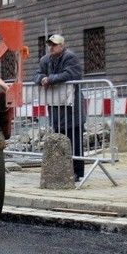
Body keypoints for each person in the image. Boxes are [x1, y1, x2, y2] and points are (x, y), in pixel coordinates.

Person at [33, 34, 86, 181]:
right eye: (49, 44)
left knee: (75, 140)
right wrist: (41, 79)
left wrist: (49, 79)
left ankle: (77, 171)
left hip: (72, 107)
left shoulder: (70, 57)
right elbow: (37, 75)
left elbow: (71, 74)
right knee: (59, 138)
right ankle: (62, 168)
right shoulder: (45, 60)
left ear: (62, 46)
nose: (51, 47)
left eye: (54, 45)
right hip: (56, 108)